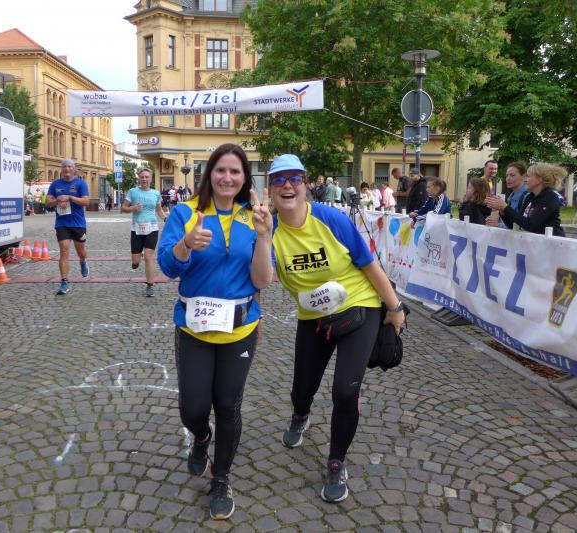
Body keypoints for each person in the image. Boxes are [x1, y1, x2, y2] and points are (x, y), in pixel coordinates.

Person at [267, 153, 405, 503]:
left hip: (359, 306)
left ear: (306, 185)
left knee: (345, 390)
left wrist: (394, 307)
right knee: (303, 386)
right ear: (269, 190)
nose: (287, 185)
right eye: (279, 180)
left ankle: (336, 460)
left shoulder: (330, 219)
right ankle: (300, 414)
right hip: (313, 315)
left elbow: (369, 264)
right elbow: (261, 278)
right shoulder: (269, 232)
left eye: (294, 179)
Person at [157, 143, 273, 520]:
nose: (227, 177)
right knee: (193, 408)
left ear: (244, 178)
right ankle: (201, 437)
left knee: (227, 405)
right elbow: (167, 268)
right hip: (194, 329)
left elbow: (262, 280)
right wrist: (186, 244)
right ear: (209, 174)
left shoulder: (253, 217)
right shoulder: (186, 212)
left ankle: (220, 479)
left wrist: (265, 236)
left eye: (235, 171)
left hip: (239, 330)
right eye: (221, 170)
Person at [46, 159, 90, 295]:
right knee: (64, 250)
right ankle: (64, 281)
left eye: (69, 167)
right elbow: (48, 201)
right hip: (62, 223)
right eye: (64, 167)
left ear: (74, 169)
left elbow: (86, 201)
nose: (67, 169)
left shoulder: (80, 183)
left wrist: (70, 198)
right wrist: (57, 200)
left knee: (81, 252)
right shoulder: (55, 184)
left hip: (78, 223)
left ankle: (83, 261)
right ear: (62, 169)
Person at [486, 163, 566, 236]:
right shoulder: (530, 197)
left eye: (528, 176)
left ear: (539, 179)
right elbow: (515, 224)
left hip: (553, 243)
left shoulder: (550, 197)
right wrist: (502, 211)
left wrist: (505, 207)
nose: (525, 180)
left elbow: (531, 225)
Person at [122, 168, 166, 296]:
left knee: (148, 256)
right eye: (142, 177)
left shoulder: (156, 193)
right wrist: (133, 208)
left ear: (151, 179)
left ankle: (150, 285)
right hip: (137, 229)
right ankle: (137, 259)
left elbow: (159, 210)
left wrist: (165, 219)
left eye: (147, 177)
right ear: (139, 178)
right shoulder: (133, 192)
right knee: (136, 261)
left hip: (152, 228)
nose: (144, 179)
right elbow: (123, 208)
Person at [490, 162, 529, 229]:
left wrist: (498, 225)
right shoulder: (512, 196)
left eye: (512, 175)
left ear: (524, 177)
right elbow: (510, 223)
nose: (508, 178)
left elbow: (522, 225)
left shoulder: (527, 196)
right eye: (507, 176)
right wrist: (501, 210)